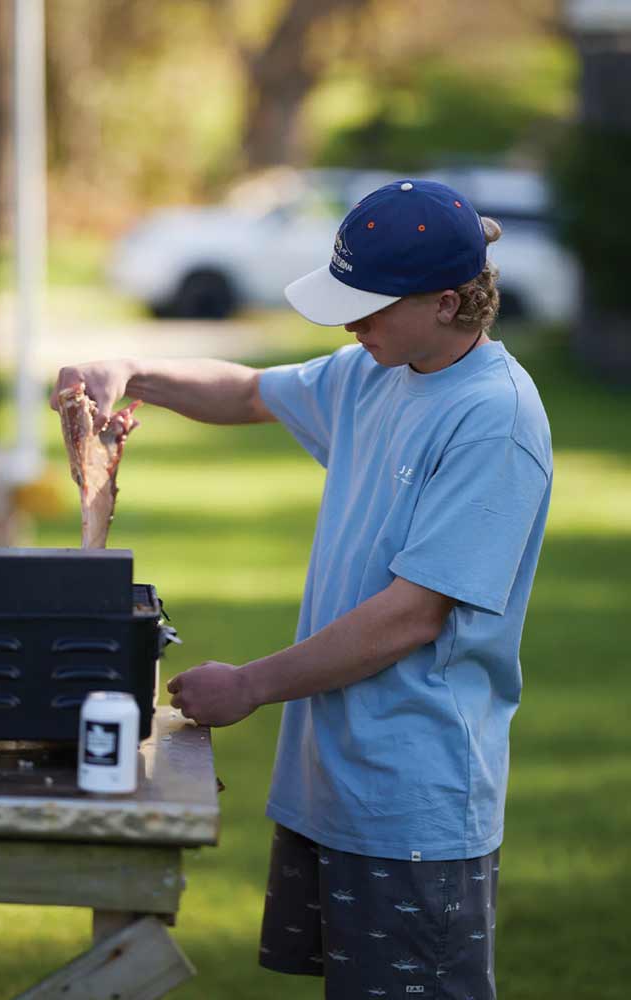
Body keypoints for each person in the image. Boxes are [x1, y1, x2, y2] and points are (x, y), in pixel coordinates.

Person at [50, 179, 553, 998]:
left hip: (413, 800)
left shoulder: (492, 420)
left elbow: (412, 616)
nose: (351, 322)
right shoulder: (379, 368)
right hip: (335, 780)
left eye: (370, 305)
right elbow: (251, 392)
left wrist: (250, 685)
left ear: (450, 301)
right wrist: (132, 370)